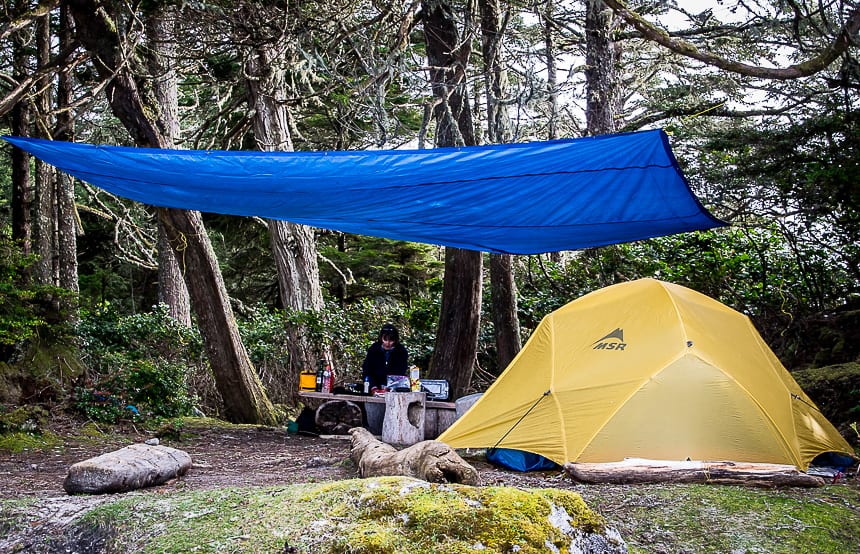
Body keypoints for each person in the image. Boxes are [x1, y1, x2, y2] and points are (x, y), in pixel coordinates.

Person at [361, 323, 408, 391]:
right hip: (374, 387)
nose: (388, 343)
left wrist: (391, 387)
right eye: (385, 339)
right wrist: (373, 387)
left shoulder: (401, 351)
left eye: (391, 340)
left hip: (393, 389)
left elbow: (400, 373)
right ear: (381, 338)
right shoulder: (374, 349)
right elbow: (367, 371)